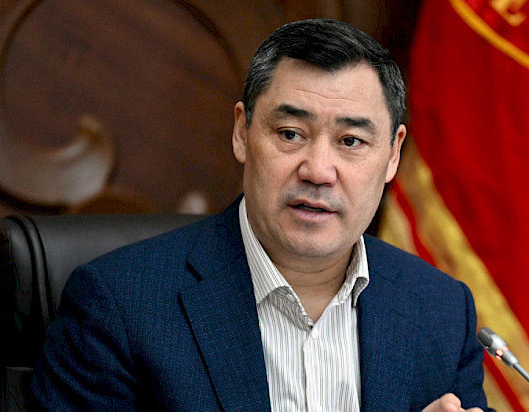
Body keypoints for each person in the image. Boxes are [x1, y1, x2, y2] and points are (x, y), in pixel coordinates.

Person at [30, 18, 493, 412]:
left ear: (392, 155)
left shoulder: (442, 312)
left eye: (351, 141)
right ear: (241, 132)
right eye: (290, 133)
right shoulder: (118, 306)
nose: (318, 171)